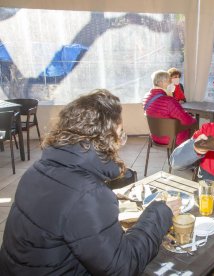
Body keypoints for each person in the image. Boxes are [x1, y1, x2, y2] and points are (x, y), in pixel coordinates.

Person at [0, 89, 181, 275]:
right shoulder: (87, 194)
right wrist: (159, 213)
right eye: (119, 133)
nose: (121, 141)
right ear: (103, 139)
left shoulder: (36, 169)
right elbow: (122, 268)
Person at [143, 70, 197, 146]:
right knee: (193, 123)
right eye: (169, 81)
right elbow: (186, 120)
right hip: (171, 138)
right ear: (161, 83)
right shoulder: (169, 101)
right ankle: (187, 154)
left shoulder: (146, 97)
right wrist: (193, 118)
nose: (172, 84)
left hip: (155, 136)